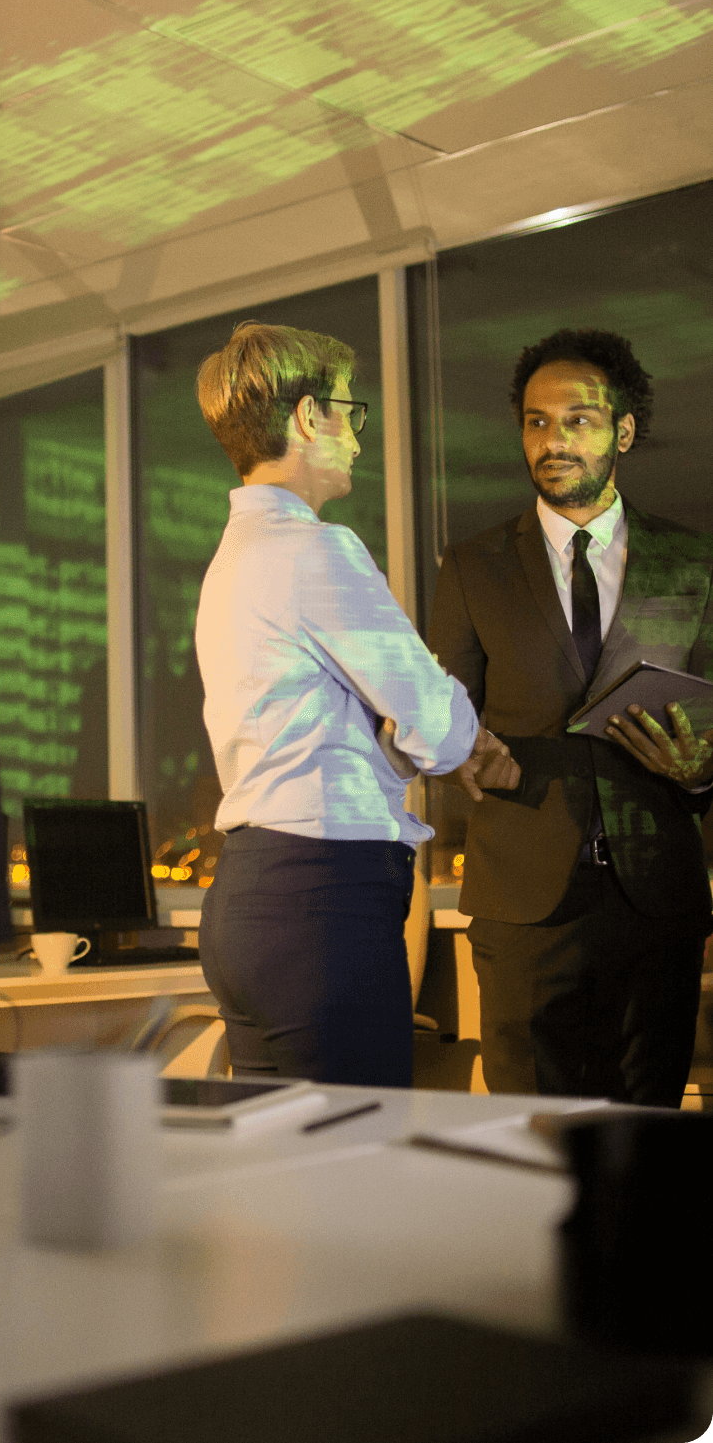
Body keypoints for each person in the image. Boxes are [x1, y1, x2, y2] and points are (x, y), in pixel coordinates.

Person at [194, 321, 518, 1087]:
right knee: (357, 1173)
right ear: (308, 417)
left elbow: (328, 736)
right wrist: (466, 738)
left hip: (247, 902)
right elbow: (436, 720)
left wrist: (407, 742)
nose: (357, 438)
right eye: (349, 411)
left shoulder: (230, 562)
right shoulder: (318, 549)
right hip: (322, 908)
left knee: (286, 1183)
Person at [429, 328, 713, 1105]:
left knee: (647, 1127)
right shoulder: (472, 567)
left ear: (624, 430)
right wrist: (460, 756)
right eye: (536, 421)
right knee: (533, 1137)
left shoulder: (692, 562)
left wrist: (701, 769)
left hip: (656, 895)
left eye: (578, 420)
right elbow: (440, 718)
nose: (553, 440)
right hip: (523, 900)